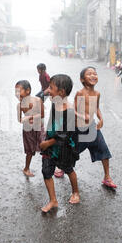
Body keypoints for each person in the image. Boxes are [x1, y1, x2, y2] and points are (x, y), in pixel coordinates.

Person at [39, 74, 80, 212]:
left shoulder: (69, 111)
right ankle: (53, 200)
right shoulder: (55, 102)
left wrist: (48, 143)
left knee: (68, 169)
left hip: (63, 148)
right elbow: (41, 96)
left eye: (51, 88)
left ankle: (75, 192)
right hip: (50, 145)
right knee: (46, 171)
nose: (48, 90)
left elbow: (65, 135)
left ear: (61, 92)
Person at [74, 66, 117, 188]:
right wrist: (82, 116)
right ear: (82, 79)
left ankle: (107, 177)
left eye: (95, 73)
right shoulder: (80, 93)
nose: (93, 76)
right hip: (80, 129)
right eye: (89, 74)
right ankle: (62, 167)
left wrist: (101, 118)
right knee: (72, 152)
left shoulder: (97, 93)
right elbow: (74, 111)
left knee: (104, 149)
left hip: (92, 127)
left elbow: (96, 107)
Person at [15, 80, 45, 177]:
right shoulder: (19, 105)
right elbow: (20, 119)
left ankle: (52, 166)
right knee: (30, 151)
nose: (16, 94)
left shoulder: (37, 100)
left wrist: (29, 117)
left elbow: (42, 115)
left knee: (45, 146)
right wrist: (25, 119)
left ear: (28, 91)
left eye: (19, 91)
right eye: (15, 91)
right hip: (28, 130)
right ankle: (26, 168)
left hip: (39, 127)